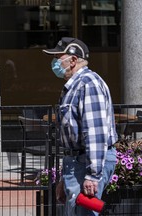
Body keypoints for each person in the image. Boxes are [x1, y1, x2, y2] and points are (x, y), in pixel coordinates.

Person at [43, 37, 117, 215]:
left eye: (58, 58)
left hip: (85, 163)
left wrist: (92, 175)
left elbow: (95, 133)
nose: (55, 63)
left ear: (73, 60)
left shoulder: (88, 84)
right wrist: (64, 178)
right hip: (76, 162)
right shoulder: (74, 86)